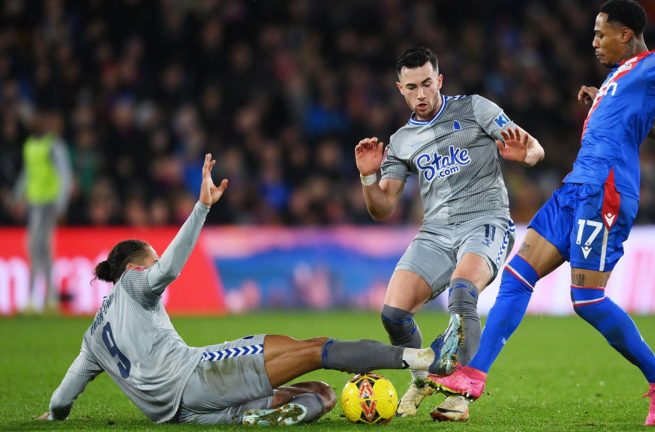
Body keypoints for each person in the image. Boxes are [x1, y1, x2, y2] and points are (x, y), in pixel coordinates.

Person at [429, 0, 655, 427]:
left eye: (601, 34)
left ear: (625, 35)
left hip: (606, 192)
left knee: (587, 300)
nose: (594, 42)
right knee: (517, 275)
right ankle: (473, 376)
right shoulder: (618, 76)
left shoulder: (653, 66)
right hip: (575, 187)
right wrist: (607, 99)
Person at [38, 154, 462, 426]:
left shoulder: (93, 338)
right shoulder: (134, 283)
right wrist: (202, 208)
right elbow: (167, 269)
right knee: (315, 348)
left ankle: (254, 418)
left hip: (183, 416)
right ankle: (418, 357)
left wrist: (53, 417)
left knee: (321, 394)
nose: (155, 264)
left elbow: (62, 397)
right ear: (134, 267)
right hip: (197, 375)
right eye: (151, 258)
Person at [354, 47, 544, 421]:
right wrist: (368, 177)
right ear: (400, 89)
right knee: (393, 314)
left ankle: (459, 393)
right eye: (412, 87)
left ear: (439, 80)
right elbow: (382, 207)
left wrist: (528, 156)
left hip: (486, 222)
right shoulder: (402, 140)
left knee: (462, 294)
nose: (421, 94)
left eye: (427, 83)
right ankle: (422, 380)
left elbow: (534, 147)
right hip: (436, 233)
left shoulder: (475, 108)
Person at [13, 107, 72, 312]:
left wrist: (61, 204)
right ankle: (48, 297)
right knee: (40, 248)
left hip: (48, 203)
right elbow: (28, 173)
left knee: (36, 246)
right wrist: (17, 196)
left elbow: (64, 175)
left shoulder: (53, 145)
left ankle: (39, 297)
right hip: (35, 202)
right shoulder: (30, 145)